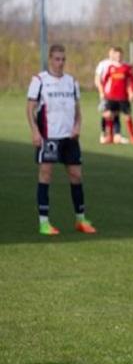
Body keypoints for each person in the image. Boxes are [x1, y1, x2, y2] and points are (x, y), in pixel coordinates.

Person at [26, 44, 97, 236]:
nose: (60, 63)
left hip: (70, 138)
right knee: (45, 175)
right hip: (49, 137)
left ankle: (81, 220)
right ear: (50, 59)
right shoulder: (39, 80)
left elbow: (78, 111)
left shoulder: (71, 81)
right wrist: (35, 131)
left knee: (76, 176)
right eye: (57, 59)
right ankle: (44, 223)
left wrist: (77, 126)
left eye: (63, 59)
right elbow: (30, 108)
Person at [100, 46, 133, 145]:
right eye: (116, 55)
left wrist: (131, 92)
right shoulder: (110, 67)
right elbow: (105, 80)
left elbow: (131, 81)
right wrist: (103, 92)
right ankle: (110, 137)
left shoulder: (127, 67)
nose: (118, 57)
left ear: (122, 55)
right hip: (111, 96)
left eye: (120, 55)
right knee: (110, 115)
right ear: (114, 56)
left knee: (127, 116)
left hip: (123, 97)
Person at [94, 46, 120, 143]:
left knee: (116, 113)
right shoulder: (103, 64)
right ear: (109, 53)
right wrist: (101, 91)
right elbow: (97, 78)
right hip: (106, 93)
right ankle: (104, 134)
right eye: (113, 52)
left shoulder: (119, 65)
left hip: (117, 94)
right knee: (106, 113)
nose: (115, 54)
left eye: (116, 52)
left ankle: (116, 135)